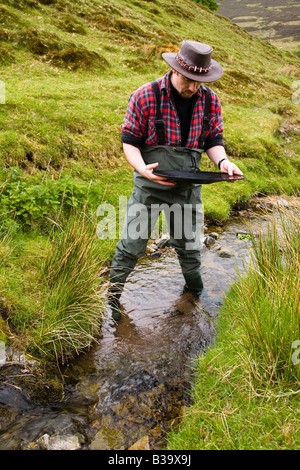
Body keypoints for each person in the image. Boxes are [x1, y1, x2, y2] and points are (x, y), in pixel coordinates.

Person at [108, 40, 243, 322]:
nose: (193, 87)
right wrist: (142, 168)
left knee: (190, 248)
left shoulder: (210, 100)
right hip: (148, 186)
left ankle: (195, 297)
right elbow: (129, 142)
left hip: (187, 190)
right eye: (188, 80)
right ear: (174, 69)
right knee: (131, 245)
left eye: (199, 81)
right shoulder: (144, 96)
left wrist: (223, 162)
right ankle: (112, 299)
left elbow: (213, 141)